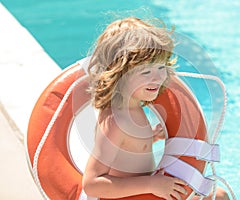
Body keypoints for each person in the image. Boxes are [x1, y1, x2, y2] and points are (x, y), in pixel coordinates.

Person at [82, 17, 229, 200]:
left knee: (219, 195)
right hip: (126, 196)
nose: (158, 77)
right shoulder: (116, 121)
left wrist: (151, 137)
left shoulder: (131, 107)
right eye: (145, 72)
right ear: (119, 73)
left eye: (161, 67)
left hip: (143, 192)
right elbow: (92, 184)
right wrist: (151, 184)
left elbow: (126, 150)